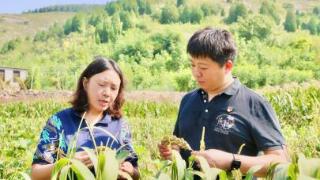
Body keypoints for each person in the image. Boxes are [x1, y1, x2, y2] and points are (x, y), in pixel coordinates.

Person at [158, 27, 289, 177]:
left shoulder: (253, 104)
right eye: (192, 65)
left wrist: (231, 161)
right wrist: (172, 152)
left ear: (227, 66)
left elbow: (281, 163)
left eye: (203, 67)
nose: (196, 73)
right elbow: (179, 144)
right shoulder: (188, 100)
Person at [31, 57, 139, 180]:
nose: (107, 93)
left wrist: (129, 170)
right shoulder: (58, 122)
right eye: (102, 85)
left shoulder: (120, 125)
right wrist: (68, 163)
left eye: (113, 88)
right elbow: (36, 174)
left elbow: (135, 171)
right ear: (86, 84)